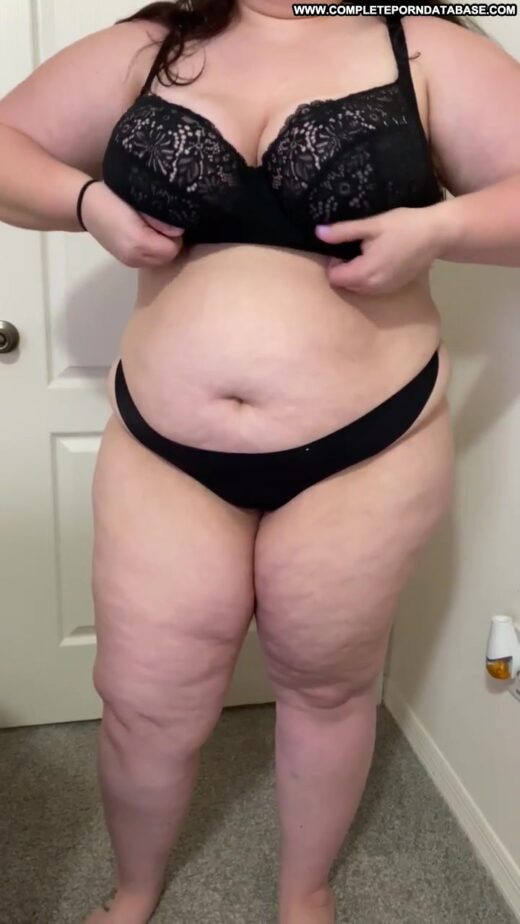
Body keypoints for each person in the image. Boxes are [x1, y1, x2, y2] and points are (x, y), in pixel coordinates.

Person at [1, 1, 519, 921]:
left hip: (368, 451)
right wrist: (86, 204)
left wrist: (440, 231)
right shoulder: (154, 45)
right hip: (164, 453)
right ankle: (133, 890)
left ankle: (303, 892)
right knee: (142, 702)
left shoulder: (424, 48)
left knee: (326, 690)